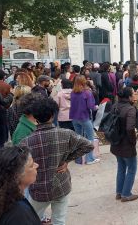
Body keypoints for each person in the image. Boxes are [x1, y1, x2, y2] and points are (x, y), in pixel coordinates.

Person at [20, 96, 94, 225]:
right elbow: (89, 145)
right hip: (61, 185)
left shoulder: (26, 142)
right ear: (52, 115)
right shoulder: (66, 133)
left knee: (32, 219)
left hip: (38, 189)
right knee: (59, 220)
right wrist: (67, 160)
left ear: (35, 117)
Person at [0, 146, 41, 225]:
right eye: (31, 165)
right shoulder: (19, 215)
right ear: (17, 176)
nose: (37, 165)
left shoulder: (1, 198)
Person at [110, 87, 138, 202]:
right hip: (126, 144)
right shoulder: (130, 109)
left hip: (116, 142)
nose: (135, 94)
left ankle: (119, 192)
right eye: (133, 93)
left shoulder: (115, 106)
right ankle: (126, 194)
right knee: (131, 168)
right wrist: (133, 140)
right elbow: (130, 128)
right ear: (129, 97)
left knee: (121, 167)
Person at [70, 75, 100, 165]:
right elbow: (91, 106)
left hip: (75, 117)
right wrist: (96, 107)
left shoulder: (72, 92)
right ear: (84, 82)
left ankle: (78, 159)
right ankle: (90, 159)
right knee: (90, 138)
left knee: (78, 138)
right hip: (84, 117)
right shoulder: (87, 93)